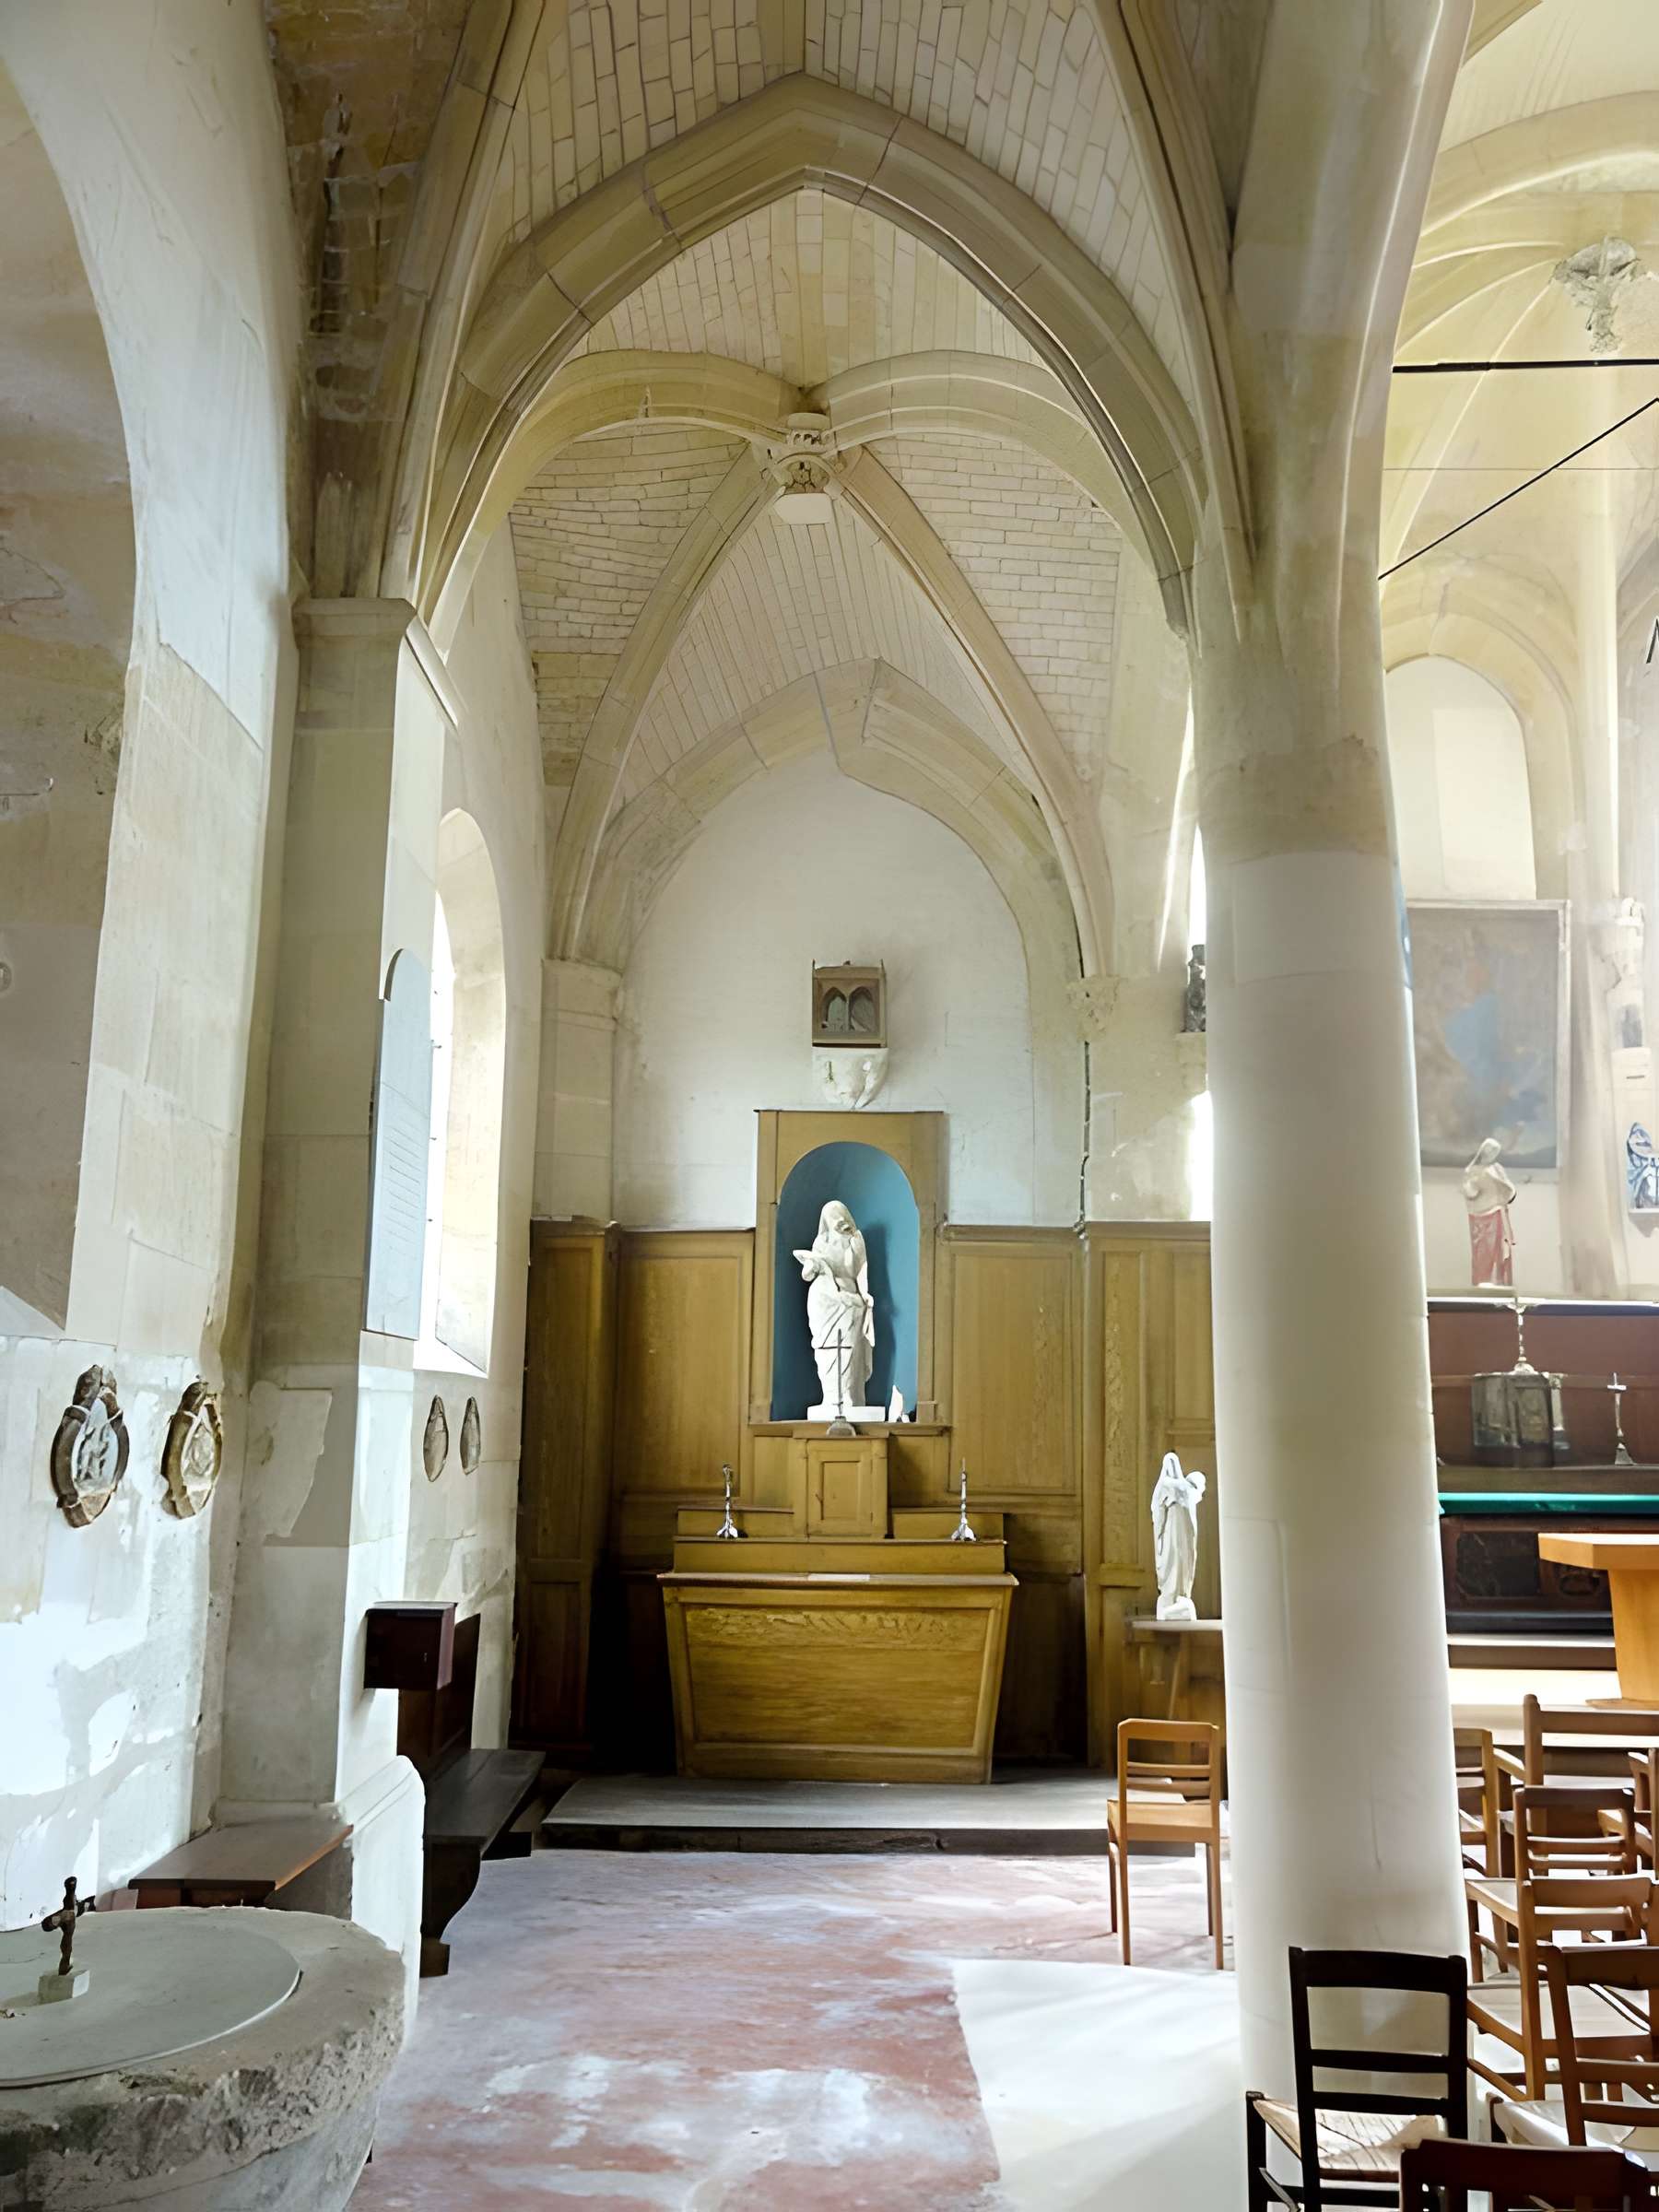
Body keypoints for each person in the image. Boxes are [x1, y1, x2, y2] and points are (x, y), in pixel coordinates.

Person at [794, 1200, 876, 1413]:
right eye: (832, 1216)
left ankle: (849, 1398)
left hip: (850, 1303)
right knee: (826, 1350)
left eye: (840, 1215)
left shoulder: (855, 1241)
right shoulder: (821, 1242)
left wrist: (852, 1243)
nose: (838, 1220)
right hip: (824, 1302)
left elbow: (856, 1270)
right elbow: (809, 1273)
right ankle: (831, 1398)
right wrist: (812, 1264)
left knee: (849, 1349)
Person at [1462, 1137, 1517, 1288]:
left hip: (1496, 1213)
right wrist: (1472, 1186)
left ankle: (1499, 1282)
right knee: (1482, 1252)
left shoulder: (1497, 1169)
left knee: (1498, 1250)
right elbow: (1470, 1193)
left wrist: (1504, 1186)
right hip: (1479, 1216)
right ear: (1483, 1152)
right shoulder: (1472, 1170)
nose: (1493, 1155)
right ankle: (1482, 1281)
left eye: (1495, 1152)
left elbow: (1510, 1192)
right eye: (1491, 1151)